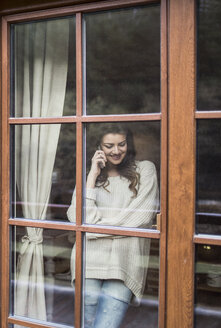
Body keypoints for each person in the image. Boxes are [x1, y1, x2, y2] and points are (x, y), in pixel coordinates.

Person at [67, 123, 159, 328]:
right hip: (88, 261)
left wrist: (92, 228)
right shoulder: (88, 175)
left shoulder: (145, 170)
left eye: (122, 144)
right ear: (98, 146)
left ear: (129, 143)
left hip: (124, 263)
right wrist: (91, 175)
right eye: (109, 146)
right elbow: (75, 218)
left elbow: (140, 219)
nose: (116, 151)